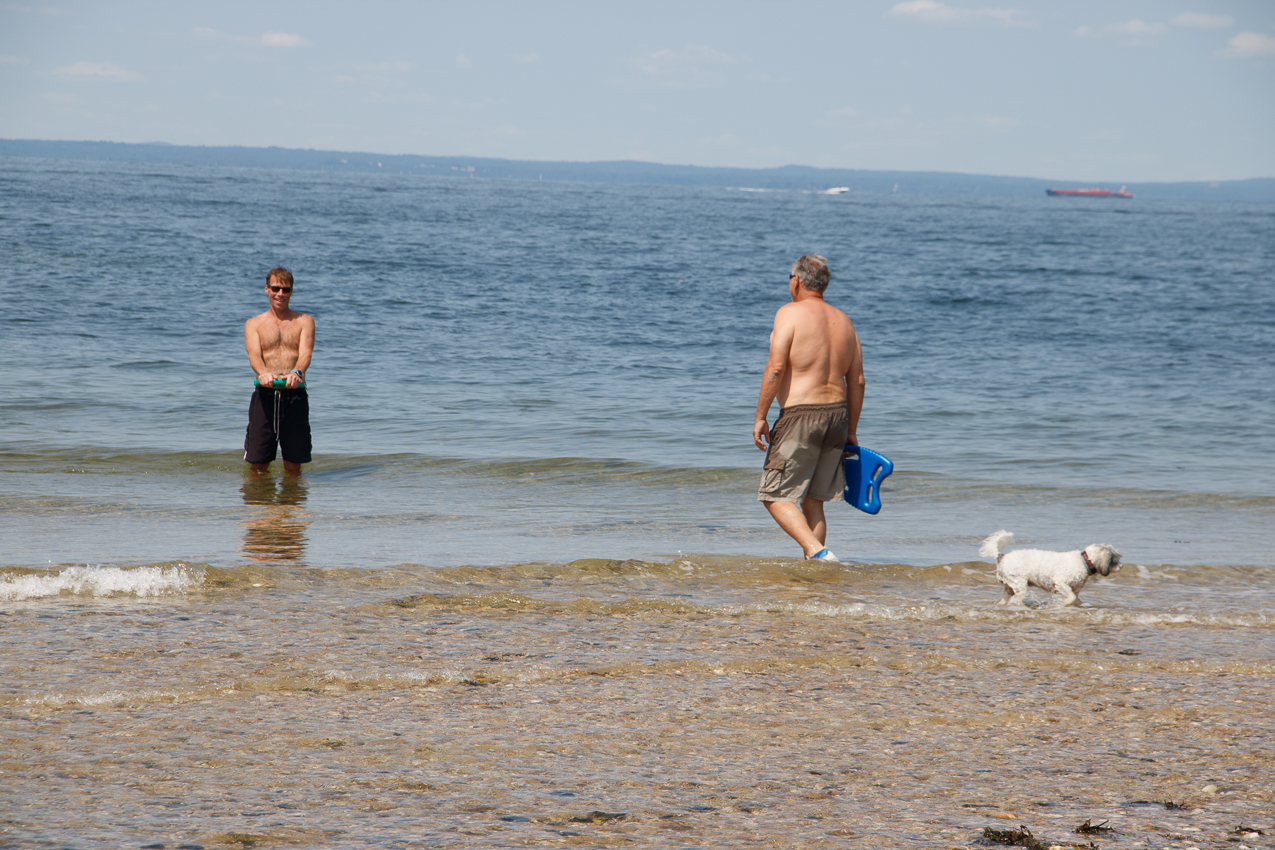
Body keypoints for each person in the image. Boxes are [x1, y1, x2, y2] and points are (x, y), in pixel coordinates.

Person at [753, 255, 864, 562]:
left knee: (774, 495)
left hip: (800, 415)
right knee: (814, 501)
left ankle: (817, 552)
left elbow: (775, 368)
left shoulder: (789, 313)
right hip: (837, 417)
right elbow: (857, 381)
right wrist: (851, 430)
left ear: (796, 281)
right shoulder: (844, 321)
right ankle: (816, 573)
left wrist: (761, 417)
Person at [244, 267, 314, 475]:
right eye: (276, 288)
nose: (280, 294)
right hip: (264, 395)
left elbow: (305, 354)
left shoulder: (305, 321)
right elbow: (254, 356)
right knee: (258, 465)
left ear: (291, 292)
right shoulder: (254, 324)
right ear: (267, 289)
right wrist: (264, 372)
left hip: (295, 396)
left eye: (286, 289)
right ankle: (260, 504)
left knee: (293, 466)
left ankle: (289, 506)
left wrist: (297, 372)